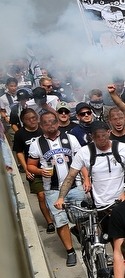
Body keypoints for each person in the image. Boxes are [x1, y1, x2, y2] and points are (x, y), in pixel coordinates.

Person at [28, 110, 87, 266]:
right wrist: (40, 171)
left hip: (75, 186)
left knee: (82, 218)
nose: (50, 125)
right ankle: (70, 251)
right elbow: (30, 166)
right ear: (41, 125)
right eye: (46, 122)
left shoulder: (71, 138)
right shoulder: (36, 144)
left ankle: (84, 238)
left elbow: (80, 161)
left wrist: (86, 179)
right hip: (53, 190)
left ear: (57, 122)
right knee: (60, 221)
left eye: (53, 121)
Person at [56, 121, 125, 214]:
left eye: (103, 135)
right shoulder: (84, 152)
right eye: (97, 136)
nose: (101, 139)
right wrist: (61, 198)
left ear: (109, 132)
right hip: (101, 204)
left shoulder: (123, 149)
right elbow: (71, 176)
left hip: (123, 200)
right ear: (91, 136)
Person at [13, 107, 57, 231]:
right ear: (23, 121)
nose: (32, 121)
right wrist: (27, 168)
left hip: (49, 166)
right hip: (33, 168)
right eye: (29, 119)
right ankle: (49, 221)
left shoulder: (42, 129)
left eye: (34, 118)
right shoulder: (20, 134)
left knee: (54, 192)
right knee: (41, 195)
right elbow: (19, 152)